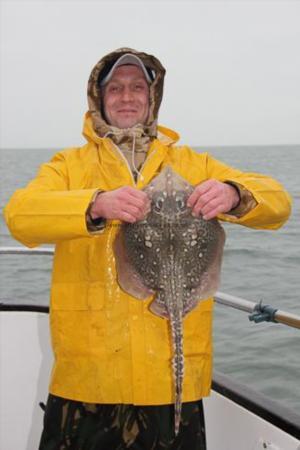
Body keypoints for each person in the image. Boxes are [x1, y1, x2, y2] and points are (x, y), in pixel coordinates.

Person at [4, 48, 291, 450]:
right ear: (99, 98)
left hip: (171, 377)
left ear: (151, 98)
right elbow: (19, 215)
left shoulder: (193, 163)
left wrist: (234, 194)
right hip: (87, 377)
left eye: (137, 88)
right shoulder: (68, 166)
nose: (127, 97)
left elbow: (278, 203)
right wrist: (94, 203)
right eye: (116, 88)